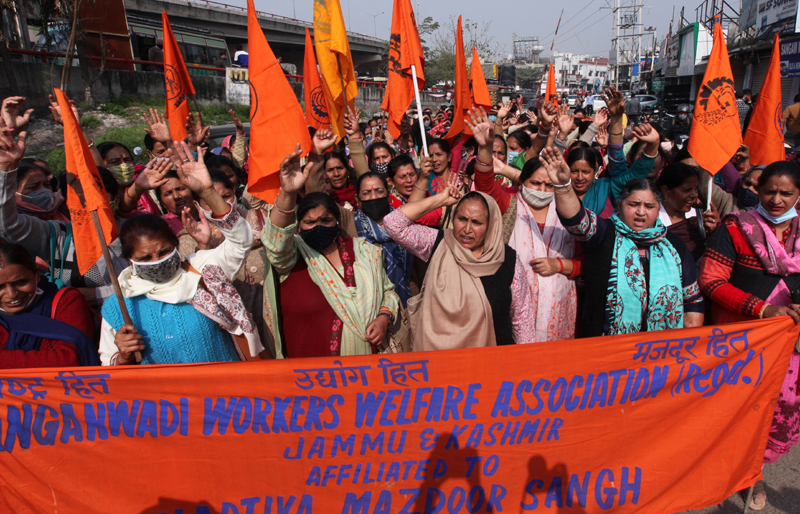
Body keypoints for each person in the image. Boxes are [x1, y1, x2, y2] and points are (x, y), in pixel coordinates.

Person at [100, 142, 262, 365]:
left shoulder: (202, 270)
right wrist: (123, 357)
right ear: (129, 261)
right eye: (145, 258)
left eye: (164, 252)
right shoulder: (118, 305)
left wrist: (207, 192)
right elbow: (108, 364)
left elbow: (241, 240)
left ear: (176, 245)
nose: (157, 262)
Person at [698, 161, 800, 511]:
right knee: (739, 410)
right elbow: (711, 281)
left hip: (792, 345)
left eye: (787, 193)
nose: (776, 199)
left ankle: (753, 469)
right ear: (757, 190)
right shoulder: (736, 227)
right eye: (769, 190)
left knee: (780, 410)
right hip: (743, 342)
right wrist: (763, 309)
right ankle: (739, 474)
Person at [542, 147, 704, 337]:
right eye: (633, 205)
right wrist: (563, 186)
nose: (641, 212)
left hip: (661, 351)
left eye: (649, 206)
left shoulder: (674, 244)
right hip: (605, 345)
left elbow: (692, 300)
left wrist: (690, 343)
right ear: (620, 205)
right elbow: (576, 219)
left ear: (658, 207)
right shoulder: (604, 233)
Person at [261, 145, 400, 358]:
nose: (319, 226)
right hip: (312, 378)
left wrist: (384, 318)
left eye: (326, 220)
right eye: (310, 222)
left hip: (368, 374)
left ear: (337, 220)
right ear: (298, 227)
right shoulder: (291, 258)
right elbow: (275, 241)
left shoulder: (364, 252)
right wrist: (288, 193)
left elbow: (388, 291)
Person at [469, 108, 579, 341]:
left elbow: (584, 262)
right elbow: (485, 183)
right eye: (535, 183)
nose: (542, 190)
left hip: (560, 311)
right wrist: (485, 149)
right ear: (521, 182)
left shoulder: (569, 213)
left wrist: (559, 265)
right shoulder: (509, 205)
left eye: (549, 186)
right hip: (513, 309)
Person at [384, 186, 535, 349]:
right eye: (462, 219)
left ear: (492, 225)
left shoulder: (507, 260)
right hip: (439, 361)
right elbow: (393, 224)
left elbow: (522, 320)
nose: (467, 229)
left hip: (492, 362)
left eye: (477, 222)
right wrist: (440, 200)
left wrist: (525, 361)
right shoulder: (438, 243)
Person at [0, 243, 99, 368]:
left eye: (21, 282)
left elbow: (71, 359)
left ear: (37, 274)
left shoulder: (67, 302)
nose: (11, 294)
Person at [354, 172, 413, 306]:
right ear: (357, 199)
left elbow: (417, 272)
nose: (373, 197)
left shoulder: (403, 223)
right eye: (366, 192)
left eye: (379, 191)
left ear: (388, 195)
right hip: (370, 306)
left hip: (407, 304)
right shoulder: (350, 224)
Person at [655, 163, 720, 262]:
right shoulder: (652, 219)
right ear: (666, 190)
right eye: (687, 190)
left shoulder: (699, 218)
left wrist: (714, 233)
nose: (694, 195)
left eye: (695, 189)